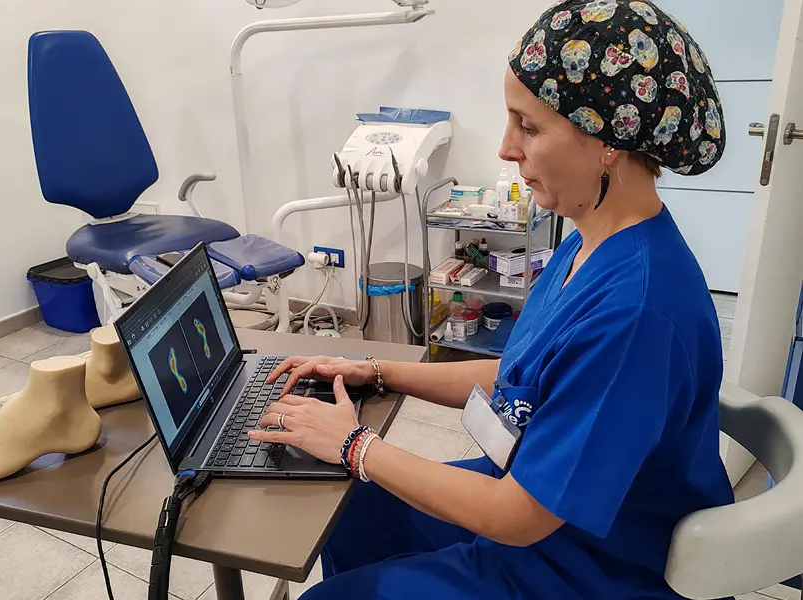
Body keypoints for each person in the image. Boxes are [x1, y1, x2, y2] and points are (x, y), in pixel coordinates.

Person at [249, 1, 733, 597]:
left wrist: (355, 445)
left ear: (608, 140)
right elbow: (523, 377)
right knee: (355, 511)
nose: (506, 148)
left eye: (529, 127)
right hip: (532, 505)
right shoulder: (589, 242)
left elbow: (517, 517)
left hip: (581, 568)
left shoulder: (636, 315)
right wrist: (376, 371)